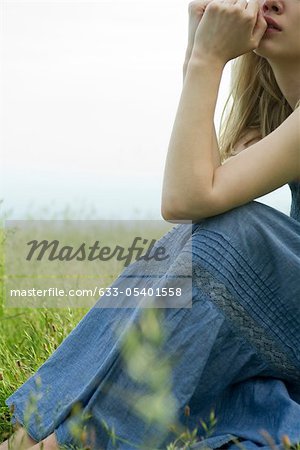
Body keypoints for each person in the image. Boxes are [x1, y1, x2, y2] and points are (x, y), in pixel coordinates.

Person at [1, 0, 300, 448]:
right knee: (203, 238)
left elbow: (185, 196)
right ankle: (48, 427)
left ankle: (70, 436)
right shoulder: (278, 109)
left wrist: (206, 59)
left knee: (241, 233)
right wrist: (196, 54)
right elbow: (199, 199)